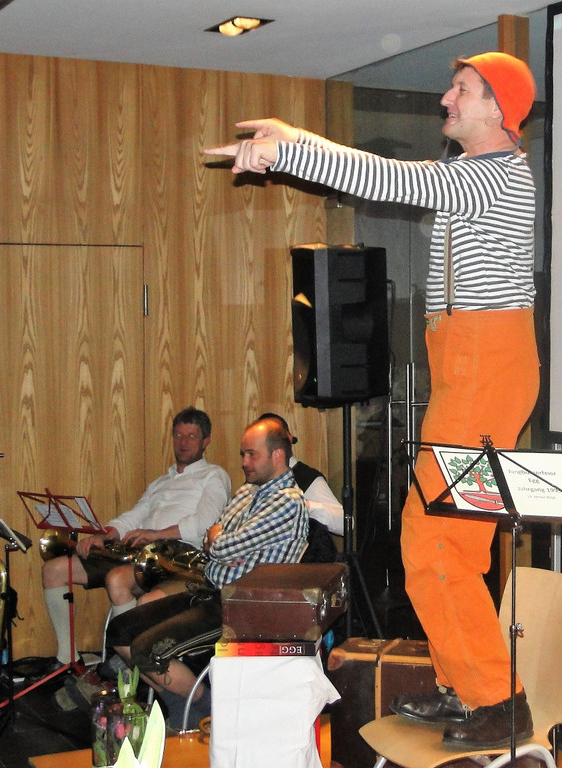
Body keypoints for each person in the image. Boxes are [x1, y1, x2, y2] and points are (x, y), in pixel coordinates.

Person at [205, 52, 539, 749]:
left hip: (485, 370)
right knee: (440, 541)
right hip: (470, 367)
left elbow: (390, 177)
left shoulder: (494, 176)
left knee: (437, 540)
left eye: (462, 89)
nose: (445, 98)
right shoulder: (475, 174)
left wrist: (291, 147)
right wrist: (292, 140)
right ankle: (467, 685)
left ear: (498, 110)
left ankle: (497, 699)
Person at [107, 416, 311, 718]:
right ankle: (182, 702)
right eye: (243, 454)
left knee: (147, 649)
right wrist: (221, 541)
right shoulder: (248, 491)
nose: (244, 462)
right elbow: (210, 535)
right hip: (210, 588)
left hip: (242, 606)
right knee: (119, 633)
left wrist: (221, 541)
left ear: (277, 455)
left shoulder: (288, 502)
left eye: (251, 454)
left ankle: (202, 704)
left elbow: (222, 545)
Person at [41, 406, 232, 666]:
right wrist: (105, 534)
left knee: (117, 579)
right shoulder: (161, 482)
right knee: (54, 570)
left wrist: (155, 534)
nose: (183, 442)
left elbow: (204, 524)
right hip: (143, 552)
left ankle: (129, 664)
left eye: (191, 436)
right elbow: (135, 515)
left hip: (179, 559)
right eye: (178, 435)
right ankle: (68, 659)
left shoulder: (214, 476)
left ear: (206, 441)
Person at [258, 412, 343, 564]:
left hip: (298, 570)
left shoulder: (306, 478)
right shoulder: (255, 481)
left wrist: (305, 505)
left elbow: (345, 524)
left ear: (289, 438)